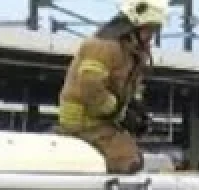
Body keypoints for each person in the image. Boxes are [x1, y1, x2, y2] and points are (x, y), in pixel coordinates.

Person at [56, 0, 165, 174]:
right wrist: (120, 112)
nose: (151, 35)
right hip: (82, 124)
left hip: (101, 123)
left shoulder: (130, 53)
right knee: (127, 162)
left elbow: (128, 86)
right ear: (133, 26)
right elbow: (89, 86)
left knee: (133, 157)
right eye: (149, 29)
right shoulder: (103, 46)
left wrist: (136, 109)